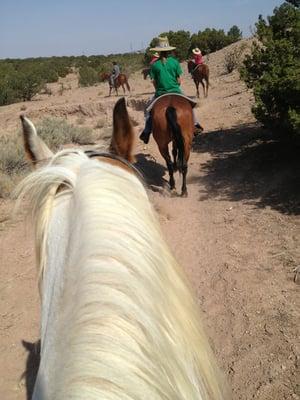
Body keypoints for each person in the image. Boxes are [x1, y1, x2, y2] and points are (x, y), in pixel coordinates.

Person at [139, 37, 202, 144]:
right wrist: (174, 85)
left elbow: (154, 82)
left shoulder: (154, 65)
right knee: (189, 105)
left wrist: (159, 88)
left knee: (149, 111)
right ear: (168, 50)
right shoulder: (175, 62)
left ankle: (147, 131)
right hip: (176, 91)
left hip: (160, 93)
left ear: (158, 51)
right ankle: (195, 124)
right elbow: (178, 81)